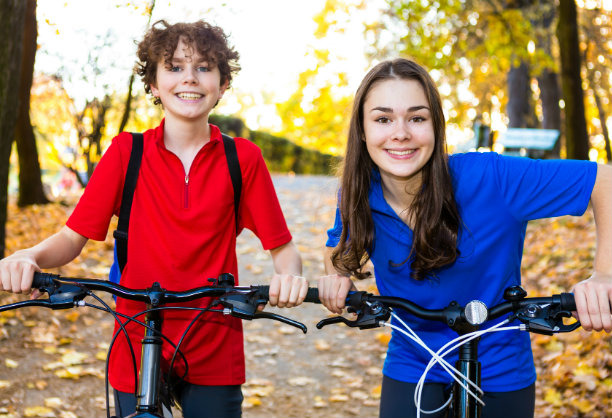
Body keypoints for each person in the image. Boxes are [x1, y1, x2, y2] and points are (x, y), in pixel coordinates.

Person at [0, 20, 308, 418]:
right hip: (135, 328)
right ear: (153, 83)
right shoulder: (126, 153)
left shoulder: (242, 159)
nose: (189, 78)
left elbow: (283, 249)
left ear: (223, 83)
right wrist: (30, 256)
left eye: (204, 67)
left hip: (214, 335)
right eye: (175, 67)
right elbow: (72, 237)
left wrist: (289, 276)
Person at [317, 58, 612, 418]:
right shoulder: (357, 190)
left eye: (417, 118)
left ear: (436, 127)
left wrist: (604, 275)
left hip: (499, 365)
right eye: (383, 119)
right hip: (413, 358)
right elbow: (338, 246)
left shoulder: (490, 177)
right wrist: (336, 276)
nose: (400, 133)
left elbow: (604, 181)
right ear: (362, 131)